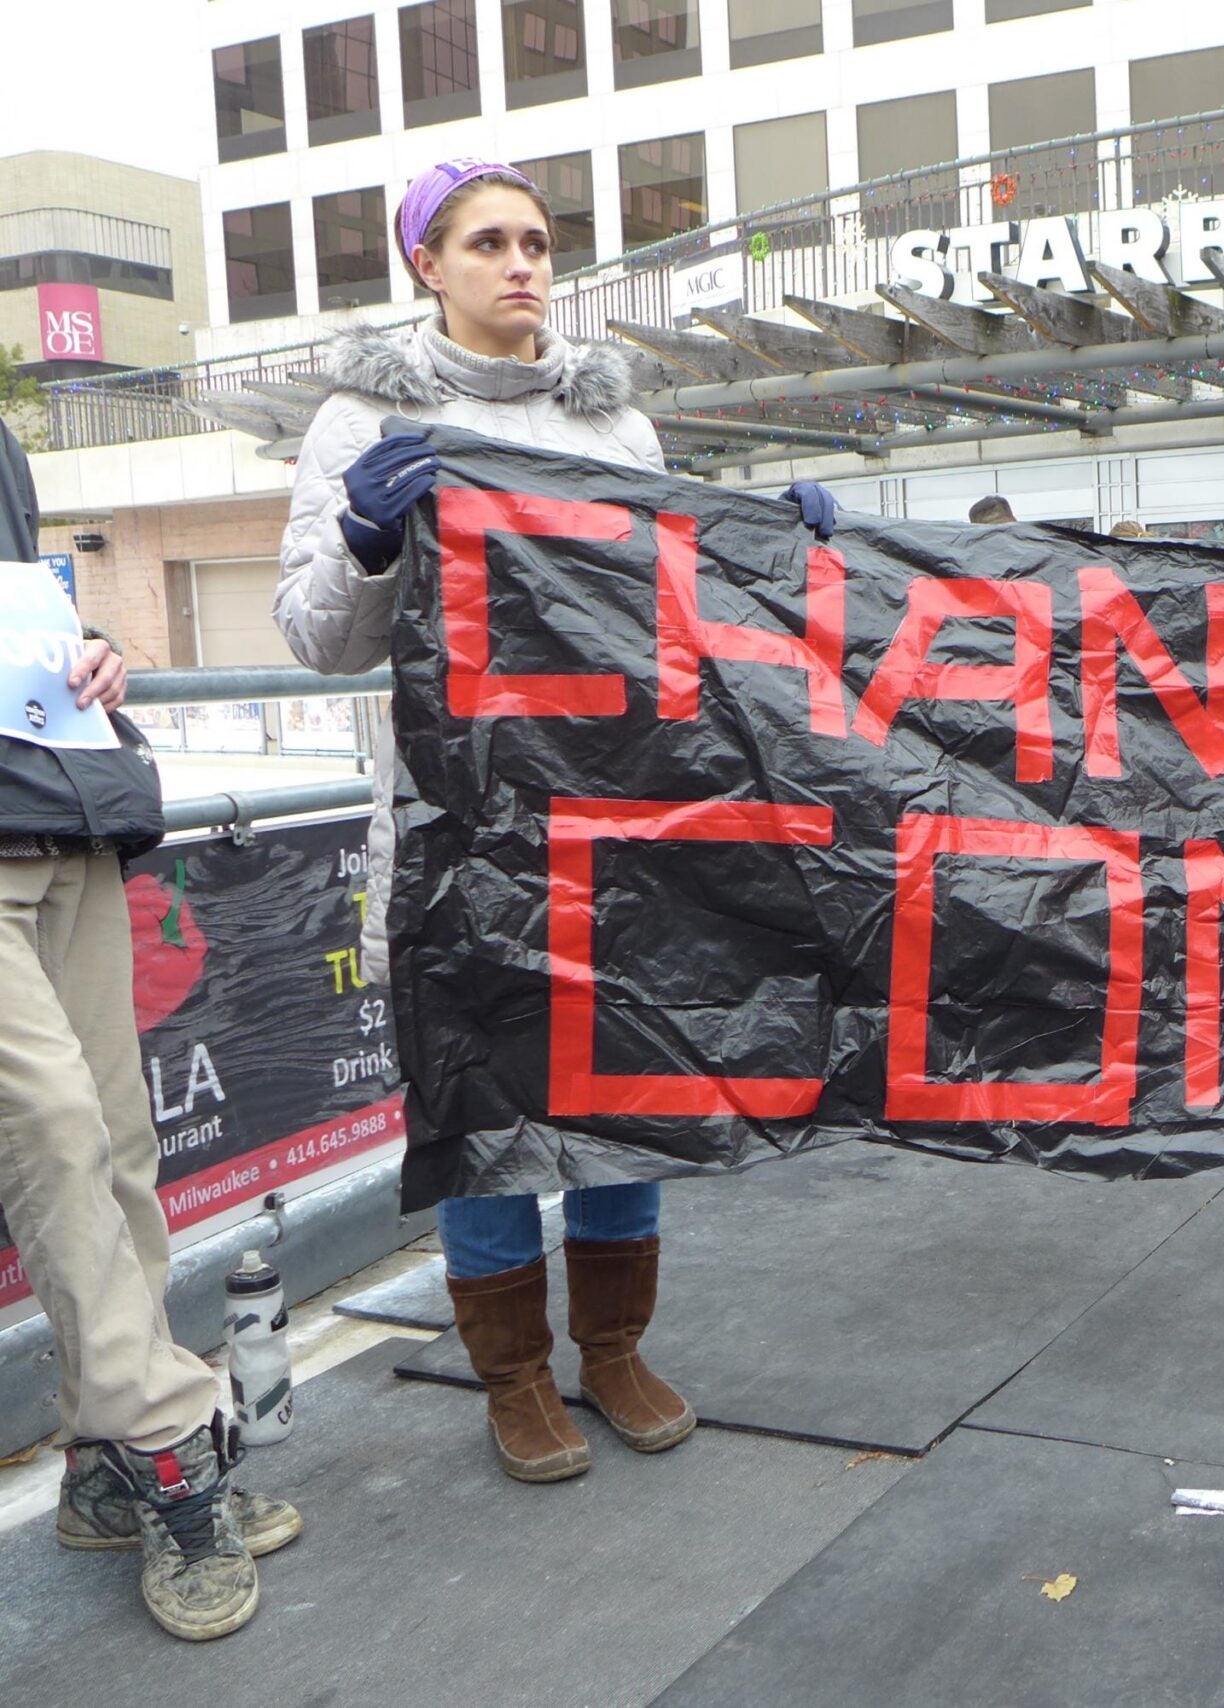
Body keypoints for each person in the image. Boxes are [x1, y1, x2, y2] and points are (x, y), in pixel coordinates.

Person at [273, 158, 836, 1480]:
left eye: (536, 241)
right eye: (488, 243)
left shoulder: (619, 432)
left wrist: (785, 550)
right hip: (457, 829)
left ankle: (617, 1351)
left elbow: (677, 615)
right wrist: (365, 543)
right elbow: (312, 638)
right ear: (429, 264)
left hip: (616, 821)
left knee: (622, 1082)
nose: (523, 264)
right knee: (484, 1098)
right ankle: (515, 1377)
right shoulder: (362, 423)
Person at [0, 419, 301, 1641]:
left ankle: (98, 1463)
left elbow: (27, 605)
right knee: (58, 1132)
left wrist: (91, 655)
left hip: (60, 804)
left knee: (119, 1145)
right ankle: (172, 1446)